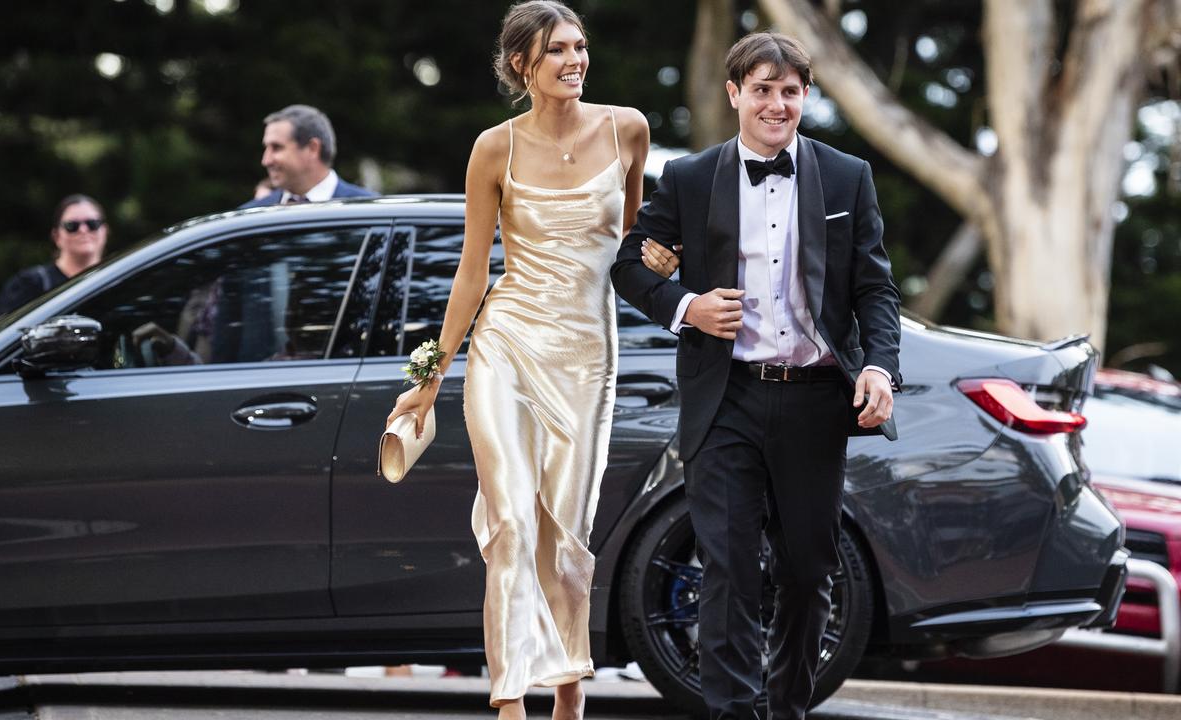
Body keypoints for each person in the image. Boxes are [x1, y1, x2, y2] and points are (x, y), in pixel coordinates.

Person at [614, 32, 901, 720]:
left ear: (806, 96)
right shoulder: (688, 177)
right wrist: (687, 306)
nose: (777, 105)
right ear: (735, 93)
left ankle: (789, 708)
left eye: (791, 92)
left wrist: (881, 368)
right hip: (727, 399)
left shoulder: (845, 177)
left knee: (807, 571)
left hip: (813, 401)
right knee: (730, 568)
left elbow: (876, 291)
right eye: (763, 90)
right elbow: (628, 263)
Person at [386, 2, 649, 717]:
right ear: (522, 65)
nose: (575, 60)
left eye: (580, 46)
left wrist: (668, 261)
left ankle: (567, 690)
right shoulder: (492, 149)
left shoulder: (627, 129)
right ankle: (507, 700)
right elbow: (472, 275)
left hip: (588, 355)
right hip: (505, 345)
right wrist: (427, 379)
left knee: (567, 530)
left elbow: (632, 248)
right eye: (557, 50)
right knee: (510, 523)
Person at [241, 104, 377, 208]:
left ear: (312, 148)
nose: (266, 161)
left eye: (277, 147)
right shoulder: (250, 216)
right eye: (266, 148)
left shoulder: (370, 210)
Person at [0, 194, 108, 315]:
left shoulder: (117, 280)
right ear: (56, 236)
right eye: (72, 226)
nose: (83, 230)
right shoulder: (29, 285)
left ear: (105, 231)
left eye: (92, 224)